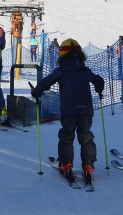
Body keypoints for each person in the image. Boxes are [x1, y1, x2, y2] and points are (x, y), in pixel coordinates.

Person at [30, 38, 104, 186]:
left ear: (62, 54)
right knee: (86, 137)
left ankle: (67, 164)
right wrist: (98, 89)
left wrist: (36, 92)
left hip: (69, 110)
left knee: (67, 136)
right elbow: (99, 80)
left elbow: (46, 82)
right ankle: (88, 166)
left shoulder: (62, 70)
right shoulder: (85, 70)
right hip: (86, 110)